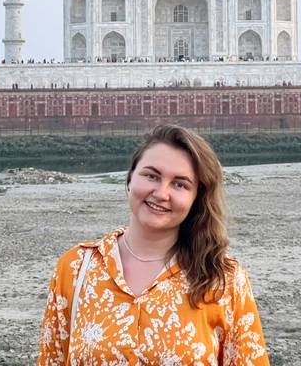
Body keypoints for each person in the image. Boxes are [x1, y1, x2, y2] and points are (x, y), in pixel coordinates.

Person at [37, 125, 270, 365]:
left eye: (180, 184)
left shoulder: (225, 280)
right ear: (129, 178)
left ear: (196, 198)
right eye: (151, 176)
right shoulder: (75, 268)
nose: (161, 193)